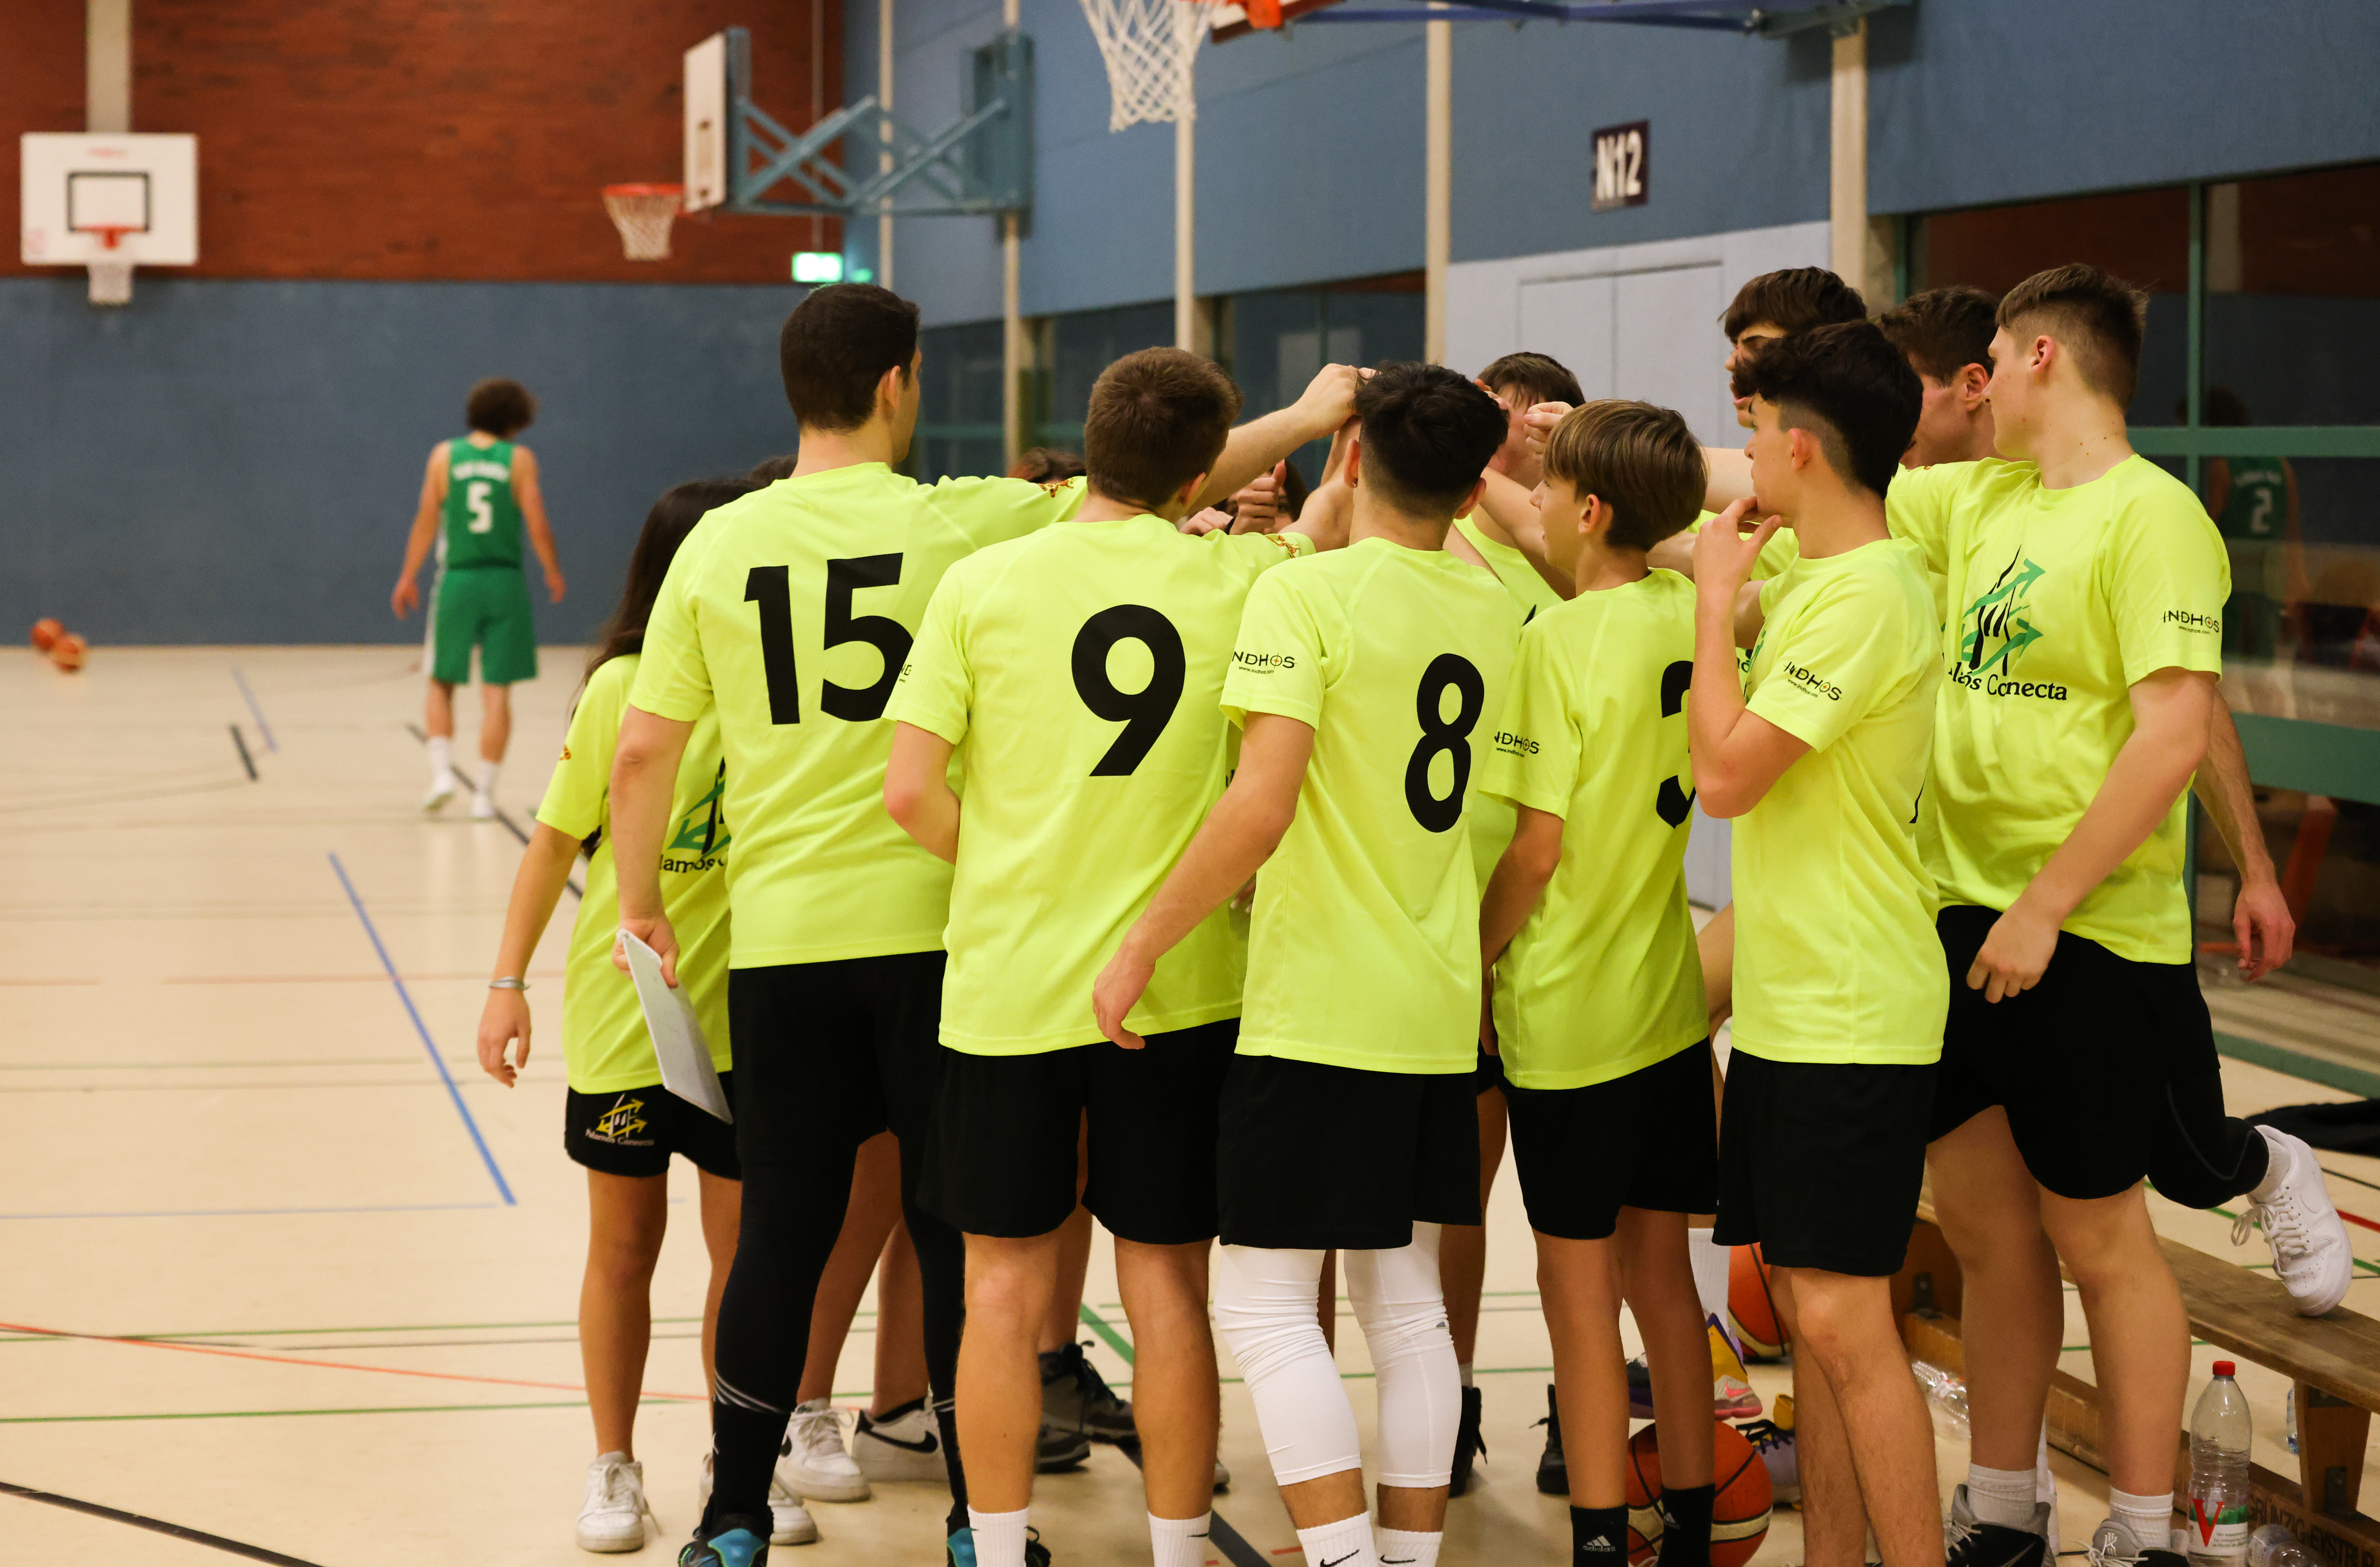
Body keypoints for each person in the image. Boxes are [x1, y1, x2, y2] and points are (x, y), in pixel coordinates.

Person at [606, 281, 1360, 1567]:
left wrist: (641, 908)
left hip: (785, 940)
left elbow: (641, 753)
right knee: (969, 1241)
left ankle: (733, 1514)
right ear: (896, 384)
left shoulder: (718, 544)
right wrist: (1303, 417)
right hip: (943, 931)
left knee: (780, 1231)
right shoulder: (959, 521)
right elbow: (1152, 482)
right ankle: (977, 1518)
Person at [1878, 265, 2351, 1567]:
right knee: (1987, 1235)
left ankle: (2144, 1531)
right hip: (1954, 913)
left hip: (2084, 934)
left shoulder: (2153, 518)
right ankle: (2005, 1505)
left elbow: (2170, 734)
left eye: (1990, 358)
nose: (1977, 385)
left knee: (2102, 1237)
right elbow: (1792, 472)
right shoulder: (1975, 496)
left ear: (2035, 357)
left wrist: (2046, 903)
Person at [883, 346, 1349, 1567]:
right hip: (1181, 987)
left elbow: (909, 792)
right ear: (1200, 477)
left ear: (1087, 447)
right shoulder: (1247, 575)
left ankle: (995, 1545)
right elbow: (1330, 536)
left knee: (999, 1288)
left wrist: (1006, 864)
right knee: (1166, 1285)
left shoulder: (982, 582)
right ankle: (1179, 1547)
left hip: (1008, 982)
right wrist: (1329, 427)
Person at [1095, 362, 1516, 1567]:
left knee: (1266, 1301)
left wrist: (1142, 940)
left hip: (1319, 1003)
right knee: (1407, 1303)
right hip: (1436, 1002)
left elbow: (1259, 803)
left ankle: (1340, 1558)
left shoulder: (1304, 593)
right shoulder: (1495, 607)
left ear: (1353, 455)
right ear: (1472, 490)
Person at [473, 477, 777, 1554]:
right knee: (623, 1246)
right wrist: (505, 983)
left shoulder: (777, 683)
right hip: (627, 1010)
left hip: (745, 1018)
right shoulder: (621, 689)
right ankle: (614, 1460)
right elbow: (553, 842)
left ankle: (735, 1462)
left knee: (743, 1257)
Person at [1689, 322, 1946, 1567]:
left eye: (1752, 430)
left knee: (1844, 1317)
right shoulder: (1818, 582)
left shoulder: (1866, 597)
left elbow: (1726, 775)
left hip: (1853, 1006)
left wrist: (1709, 606)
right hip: (1793, 1004)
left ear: (1799, 445)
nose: (1740, 453)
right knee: (1804, 1305)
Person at [1476, 401, 1718, 1567]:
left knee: (1576, 1291)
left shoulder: (1555, 642)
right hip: (1666, 1004)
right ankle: (1693, 1524)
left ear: (1589, 509)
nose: (1532, 501)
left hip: (1568, 1011)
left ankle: (1594, 1538)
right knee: (1664, 1281)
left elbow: (1534, 851)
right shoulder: (1692, 612)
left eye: (1548, 485)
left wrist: (1472, 960)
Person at [391, 376, 567, 819]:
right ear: (517, 419)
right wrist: (552, 570)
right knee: (497, 692)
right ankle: (484, 796)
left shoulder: (444, 456)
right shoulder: (519, 459)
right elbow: (537, 520)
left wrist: (408, 575)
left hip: (458, 580)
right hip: (504, 582)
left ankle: (442, 776)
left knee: (440, 682)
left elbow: (427, 520)